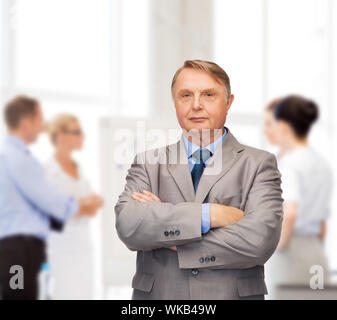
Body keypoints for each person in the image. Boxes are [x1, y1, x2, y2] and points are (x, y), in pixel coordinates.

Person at [115, 60, 284, 300]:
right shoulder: (148, 163)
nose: (196, 105)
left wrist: (169, 235)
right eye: (185, 95)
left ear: (228, 102)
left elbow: (259, 240)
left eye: (208, 95)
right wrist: (210, 215)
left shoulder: (258, 164)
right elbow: (129, 225)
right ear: (175, 102)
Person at [0, 95, 102, 300]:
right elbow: (49, 201)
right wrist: (80, 206)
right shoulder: (16, 158)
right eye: (39, 121)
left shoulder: (18, 156)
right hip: (19, 249)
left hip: (30, 248)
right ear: (25, 122)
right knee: (19, 295)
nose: (42, 127)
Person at [264, 95, 333, 299]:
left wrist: (276, 248)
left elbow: (290, 213)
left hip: (290, 250)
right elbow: (322, 224)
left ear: (283, 125)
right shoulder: (321, 163)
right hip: (315, 252)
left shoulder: (291, 164)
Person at [45, 114, 103, 300]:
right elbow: (54, 211)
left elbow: (92, 205)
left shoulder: (78, 168)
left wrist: (79, 206)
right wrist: (81, 206)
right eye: (76, 132)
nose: (82, 137)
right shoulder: (47, 172)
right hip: (61, 250)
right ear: (61, 137)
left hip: (84, 248)